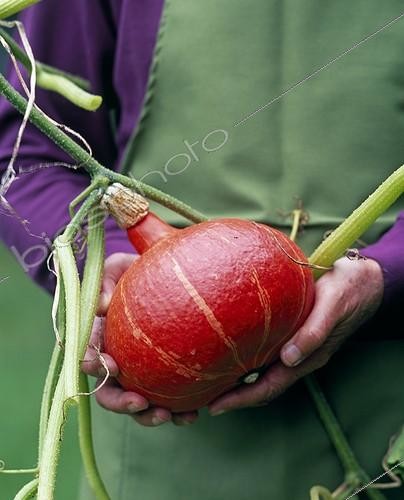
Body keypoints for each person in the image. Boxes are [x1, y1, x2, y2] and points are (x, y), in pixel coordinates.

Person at [1, 0, 404, 498]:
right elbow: (23, 149)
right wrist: (92, 275)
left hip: (386, 385)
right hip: (168, 448)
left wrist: (390, 272)